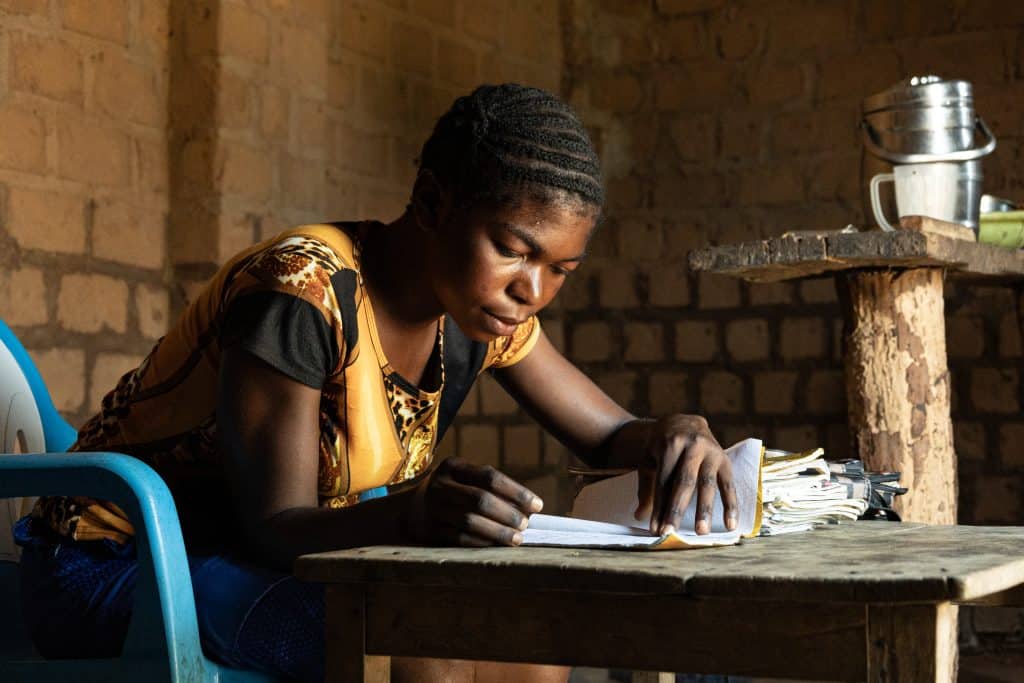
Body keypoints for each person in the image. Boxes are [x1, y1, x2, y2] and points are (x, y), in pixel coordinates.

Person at [15, 83, 737, 682]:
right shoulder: (303, 291)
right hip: (110, 564)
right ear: (430, 204)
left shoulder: (481, 311)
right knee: (424, 654)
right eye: (515, 251)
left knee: (534, 653)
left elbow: (609, 433)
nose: (533, 291)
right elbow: (275, 527)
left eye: (560, 270)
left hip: (241, 558)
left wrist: (681, 431)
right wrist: (413, 516)